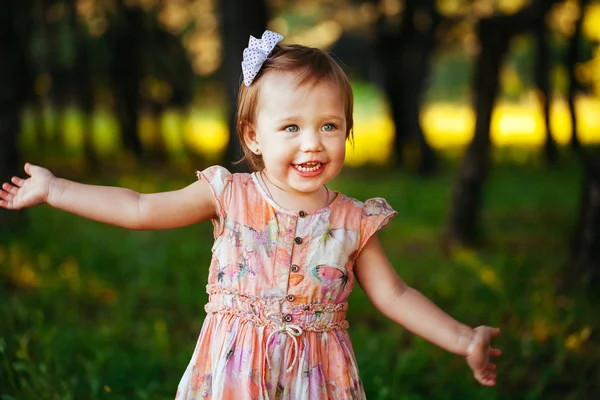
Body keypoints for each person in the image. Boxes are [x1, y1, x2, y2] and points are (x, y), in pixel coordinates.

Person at [0, 30, 500, 399]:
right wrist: (56, 189)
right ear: (253, 137)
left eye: (329, 125)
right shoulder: (229, 194)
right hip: (234, 378)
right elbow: (140, 208)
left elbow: (396, 294)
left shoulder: (352, 220)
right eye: (291, 127)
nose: (312, 143)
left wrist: (463, 338)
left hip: (318, 382)